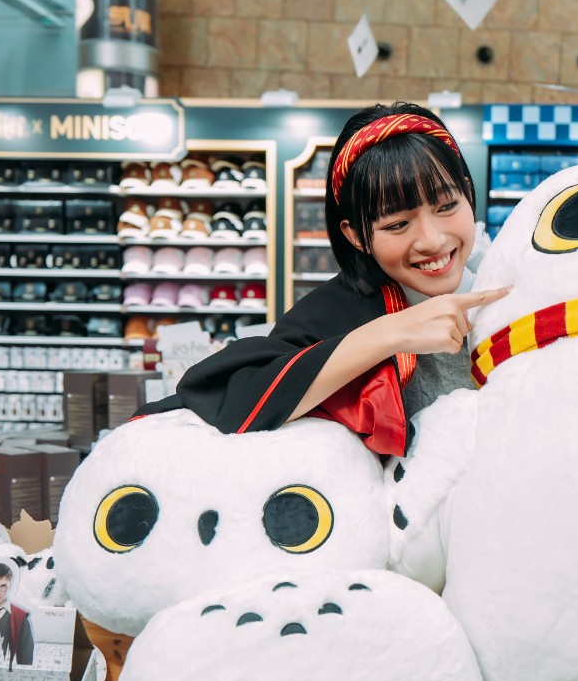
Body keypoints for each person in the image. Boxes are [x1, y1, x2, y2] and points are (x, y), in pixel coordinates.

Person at [136, 102, 509, 455]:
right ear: (356, 235)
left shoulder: (517, 286)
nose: (432, 240)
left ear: (467, 192)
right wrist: (389, 333)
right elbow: (227, 396)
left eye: (447, 206)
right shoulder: (333, 311)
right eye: (397, 224)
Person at [0, 561, 35, 670]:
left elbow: (26, 657)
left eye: (3, 586)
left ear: (10, 585)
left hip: (9, 675)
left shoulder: (21, 617)